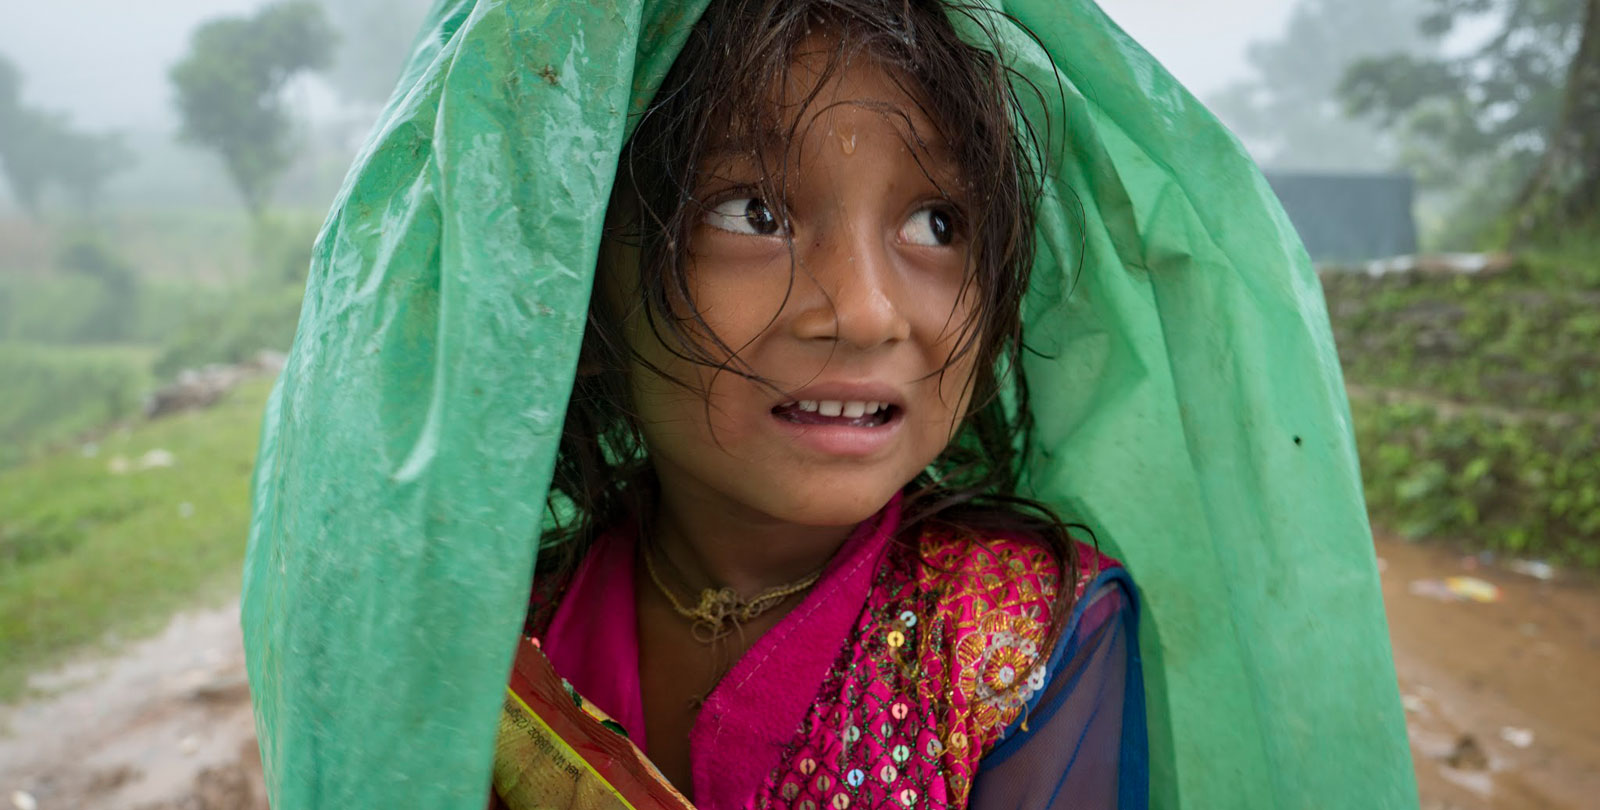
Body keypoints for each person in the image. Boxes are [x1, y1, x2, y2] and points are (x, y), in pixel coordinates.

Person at [495, 1, 1145, 807]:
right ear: (577, 287)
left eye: (937, 223)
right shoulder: (496, 630)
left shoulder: (1020, 638)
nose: (868, 311)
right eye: (752, 213)